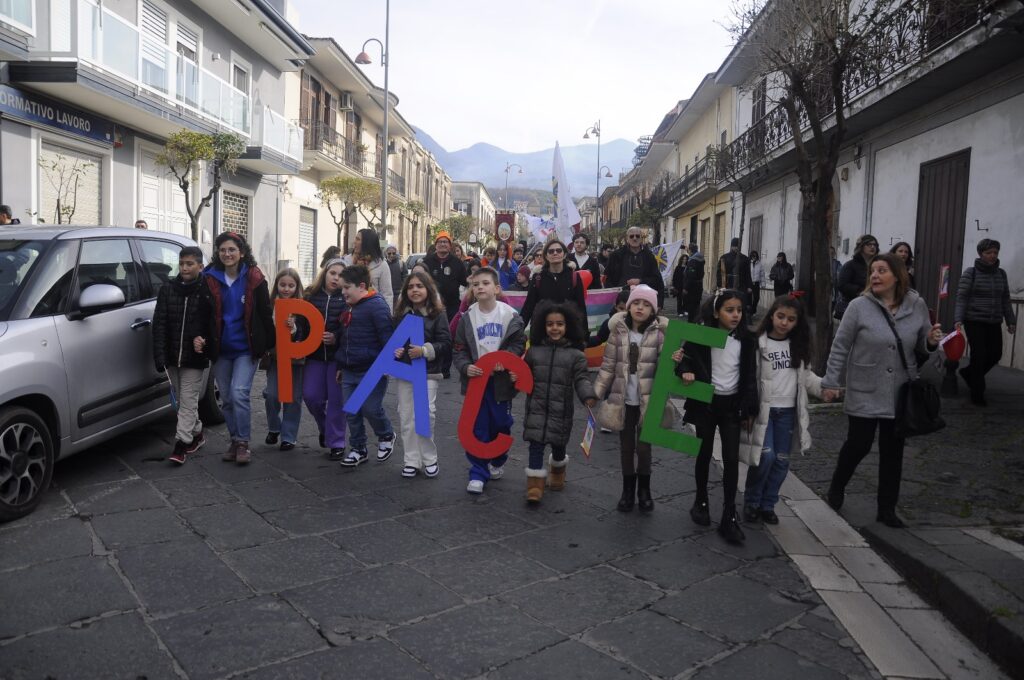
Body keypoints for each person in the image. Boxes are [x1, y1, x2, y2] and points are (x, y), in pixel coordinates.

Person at [822, 253, 943, 528]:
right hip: (865, 387)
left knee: (893, 451)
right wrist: (830, 382)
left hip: (899, 391)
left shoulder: (917, 304)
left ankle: (887, 509)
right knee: (858, 445)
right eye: (872, 271)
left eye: (881, 270)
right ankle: (837, 487)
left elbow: (923, 345)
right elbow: (840, 346)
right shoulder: (858, 306)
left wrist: (932, 341)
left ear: (897, 276)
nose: (874, 275)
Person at [677, 289, 759, 544]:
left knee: (732, 459)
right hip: (706, 404)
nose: (736, 315)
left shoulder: (746, 339)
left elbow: (749, 376)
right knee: (703, 452)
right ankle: (701, 500)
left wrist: (749, 408)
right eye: (729, 310)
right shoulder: (702, 335)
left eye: (739, 310)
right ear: (716, 312)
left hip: (731, 406)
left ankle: (729, 513)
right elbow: (684, 360)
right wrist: (683, 368)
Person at [742, 296, 824, 525]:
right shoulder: (758, 343)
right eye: (780, 316)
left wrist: (823, 388)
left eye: (791, 319)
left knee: (781, 460)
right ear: (771, 316)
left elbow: (806, 377)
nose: (784, 322)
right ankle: (752, 500)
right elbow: (750, 378)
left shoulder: (798, 347)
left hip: (788, 413)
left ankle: (768, 504)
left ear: (797, 323)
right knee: (765, 457)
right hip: (764, 411)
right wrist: (747, 410)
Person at [594, 285, 669, 514]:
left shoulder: (658, 334)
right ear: (628, 306)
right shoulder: (619, 332)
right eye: (637, 303)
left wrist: (674, 357)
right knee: (626, 447)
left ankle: (644, 491)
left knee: (644, 448)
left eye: (646, 305)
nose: (640, 308)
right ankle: (627, 491)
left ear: (653, 310)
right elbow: (607, 365)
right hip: (623, 400)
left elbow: (666, 365)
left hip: (648, 401)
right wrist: (596, 392)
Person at [452, 267, 526, 494]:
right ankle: (478, 472)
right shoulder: (467, 318)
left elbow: (518, 343)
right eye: (476, 284)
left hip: (501, 383)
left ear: (497, 288)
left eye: (485, 283)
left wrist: (507, 360)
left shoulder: (510, 316)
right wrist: (466, 367)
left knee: (500, 425)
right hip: (477, 382)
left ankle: (497, 456)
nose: (480, 287)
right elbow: (459, 349)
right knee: (477, 426)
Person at [204, 232, 275, 465]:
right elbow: (201, 312)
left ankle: (243, 442)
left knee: (239, 393)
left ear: (242, 252)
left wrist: (269, 345)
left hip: (246, 347)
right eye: (223, 250)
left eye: (232, 249)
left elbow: (265, 312)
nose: (227, 254)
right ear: (218, 252)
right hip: (221, 349)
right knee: (226, 398)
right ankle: (234, 440)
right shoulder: (209, 277)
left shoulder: (255, 278)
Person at [522, 303, 597, 503]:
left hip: (560, 410)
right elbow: (524, 374)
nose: (554, 328)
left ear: (568, 326)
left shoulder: (576, 356)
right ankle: (535, 485)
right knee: (535, 446)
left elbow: (582, 379)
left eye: (560, 324)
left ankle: (557, 472)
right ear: (542, 326)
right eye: (550, 324)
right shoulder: (534, 352)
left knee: (558, 445)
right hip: (536, 409)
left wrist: (588, 395)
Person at [152, 246, 216, 465]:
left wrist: (205, 342)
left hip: (194, 358)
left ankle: (182, 443)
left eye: (190, 264)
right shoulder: (168, 289)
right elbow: (159, 324)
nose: (185, 268)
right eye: (182, 263)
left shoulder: (206, 290)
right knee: (181, 401)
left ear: (200, 266)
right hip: (171, 356)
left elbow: (212, 323)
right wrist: (159, 356)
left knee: (188, 400)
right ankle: (197, 432)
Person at [334, 264, 396, 467]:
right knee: (351, 412)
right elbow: (344, 338)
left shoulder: (376, 306)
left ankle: (386, 435)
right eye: (342, 288)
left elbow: (387, 337)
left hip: (372, 369)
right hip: (349, 369)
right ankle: (358, 448)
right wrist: (340, 366)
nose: (343, 292)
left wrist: (388, 364)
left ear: (361, 286)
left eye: (346, 287)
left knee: (371, 408)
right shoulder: (349, 305)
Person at [393, 271, 451, 478]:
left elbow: (445, 343)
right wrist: (396, 351)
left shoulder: (438, 314)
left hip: (427, 373)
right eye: (411, 287)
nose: (415, 290)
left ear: (428, 289)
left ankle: (429, 458)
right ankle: (411, 460)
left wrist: (425, 350)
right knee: (407, 417)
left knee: (425, 415)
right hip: (405, 372)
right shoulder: (401, 315)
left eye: (419, 286)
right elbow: (395, 342)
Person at [954, 238, 1017, 406]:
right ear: (980, 254)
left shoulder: (1001, 274)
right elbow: (962, 298)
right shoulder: (971, 273)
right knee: (979, 355)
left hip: (994, 321)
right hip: (974, 320)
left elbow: (1005, 298)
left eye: (995, 252)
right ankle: (977, 393)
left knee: (995, 354)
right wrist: (958, 319)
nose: (992, 256)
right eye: (988, 253)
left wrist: (1011, 320)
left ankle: (969, 374)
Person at [303, 259, 348, 460]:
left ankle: (337, 442)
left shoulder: (347, 299)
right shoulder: (310, 296)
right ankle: (325, 429)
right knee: (311, 397)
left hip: (336, 359)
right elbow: (302, 324)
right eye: (332, 273)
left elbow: (350, 328)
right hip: (314, 357)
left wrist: (336, 337)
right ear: (325, 273)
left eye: (340, 275)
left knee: (337, 401)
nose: (336, 277)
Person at [263, 268, 307, 452]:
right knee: (271, 394)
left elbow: (305, 331)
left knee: (293, 398)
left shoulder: (303, 308)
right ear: (277, 285)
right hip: (275, 358)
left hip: (296, 360)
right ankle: (274, 427)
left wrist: (294, 328)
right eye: (282, 285)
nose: (286, 289)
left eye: (291, 285)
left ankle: (289, 437)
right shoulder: (271, 306)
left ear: (297, 287)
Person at [520, 238, 588, 335]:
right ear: (546, 256)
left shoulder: (574, 277)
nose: (555, 253)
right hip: (541, 334)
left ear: (564, 254)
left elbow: (581, 308)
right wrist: (517, 332)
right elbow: (528, 307)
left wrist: (584, 335)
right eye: (551, 251)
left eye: (559, 250)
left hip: (569, 334)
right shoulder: (537, 278)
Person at [604, 228, 665, 301]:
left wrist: (640, 281)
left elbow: (657, 279)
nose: (635, 238)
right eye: (631, 236)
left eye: (637, 236)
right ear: (627, 239)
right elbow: (607, 278)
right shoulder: (616, 255)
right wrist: (612, 296)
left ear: (641, 238)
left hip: (644, 298)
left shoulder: (649, 256)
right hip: (621, 299)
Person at [423, 231, 469, 321]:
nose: (443, 244)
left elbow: (465, 282)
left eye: (445, 242)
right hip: (431, 306)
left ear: (450, 246)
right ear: (436, 245)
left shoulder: (457, 263)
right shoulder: (427, 262)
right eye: (440, 242)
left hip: (452, 307)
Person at [348, 228, 393, 312]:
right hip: (351, 311)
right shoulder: (348, 261)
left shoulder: (382, 265)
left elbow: (387, 295)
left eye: (358, 239)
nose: (354, 242)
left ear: (366, 243)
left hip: (373, 311)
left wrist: (387, 316)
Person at [835, 234, 879, 319]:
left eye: (875, 245)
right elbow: (842, 285)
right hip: (853, 306)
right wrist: (860, 291)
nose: (873, 247)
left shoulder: (877, 265)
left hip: (873, 306)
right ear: (861, 247)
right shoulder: (850, 265)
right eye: (869, 244)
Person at [716, 238, 753, 308]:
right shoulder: (724, 257)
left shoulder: (745, 258)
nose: (736, 248)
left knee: (741, 304)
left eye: (738, 246)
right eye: (735, 246)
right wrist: (719, 285)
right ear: (731, 246)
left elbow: (747, 273)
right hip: (727, 284)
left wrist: (749, 286)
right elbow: (720, 273)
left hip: (741, 285)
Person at [681, 243, 705, 321]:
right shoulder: (700, 259)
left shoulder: (693, 261)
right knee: (696, 307)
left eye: (688, 250)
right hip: (698, 287)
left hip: (692, 289)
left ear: (691, 250)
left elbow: (691, 275)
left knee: (691, 309)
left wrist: (686, 288)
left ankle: (692, 325)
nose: (687, 252)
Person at [671, 252, 689, 317]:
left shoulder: (687, 267)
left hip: (685, 285)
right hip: (678, 286)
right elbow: (675, 277)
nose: (684, 260)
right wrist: (673, 285)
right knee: (679, 299)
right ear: (681, 260)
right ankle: (679, 311)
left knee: (685, 299)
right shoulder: (678, 267)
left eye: (686, 259)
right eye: (683, 259)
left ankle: (684, 310)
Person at [749, 250, 765, 315]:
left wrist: (763, 284)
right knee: (749, 298)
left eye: (755, 256)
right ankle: (749, 313)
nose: (754, 257)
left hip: (756, 283)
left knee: (756, 298)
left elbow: (762, 275)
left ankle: (753, 310)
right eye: (752, 256)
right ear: (751, 256)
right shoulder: (748, 263)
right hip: (749, 283)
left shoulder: (760, 264)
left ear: (757, 256)